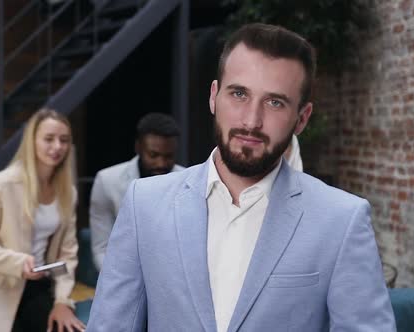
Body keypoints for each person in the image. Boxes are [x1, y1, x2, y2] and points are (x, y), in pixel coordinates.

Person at [87, 23, 395, 331]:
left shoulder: (342, 220)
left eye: (275, 102)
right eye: (238, 94)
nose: (251, 120)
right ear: (213, 97)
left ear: (302, 118)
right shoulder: (145, 203)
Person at [0, 109, 85, 332]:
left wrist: (62, 301)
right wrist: (18, 263)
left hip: (39, 287)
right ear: (32, 141)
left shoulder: (68, 192)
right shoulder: (3, 184)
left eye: (64, 140)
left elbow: (66, 256)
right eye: (49, 139)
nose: (57, 146)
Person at [89, 112, 185, 270]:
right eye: (153, 155)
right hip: (122, 274)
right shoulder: (107, 181)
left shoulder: (188, 182)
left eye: (169, 156)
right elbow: (101, 248)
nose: (161, 163)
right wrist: (119, 283)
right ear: (138, 147)